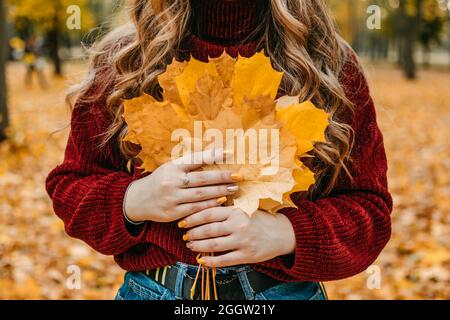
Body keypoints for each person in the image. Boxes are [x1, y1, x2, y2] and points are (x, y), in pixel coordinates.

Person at [46, 0, 392, 300]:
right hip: (153, 290)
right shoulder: (125, 61)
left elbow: (370, 212)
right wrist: (137, 200)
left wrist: (286, 234)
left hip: (284, 293)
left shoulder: (326, 64)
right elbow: (71, 190)